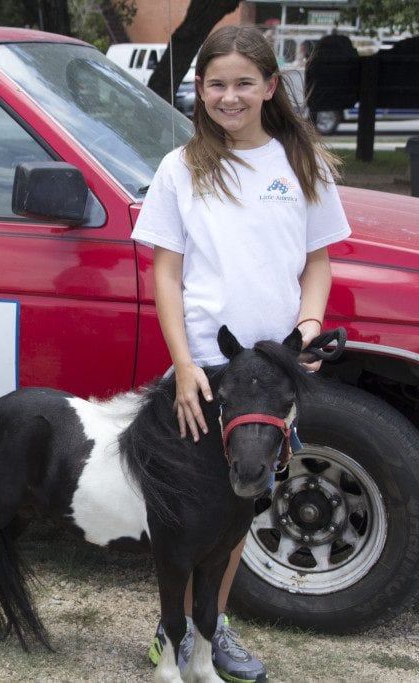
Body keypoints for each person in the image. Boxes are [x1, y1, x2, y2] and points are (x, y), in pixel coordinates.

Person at [132, 25, 350, 682]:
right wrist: (184, 365)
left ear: (270, 88)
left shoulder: (300, 161)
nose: (228, 96)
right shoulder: (181, 167)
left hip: (273, 378)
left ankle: (210, 627)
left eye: (242, 84)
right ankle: (173, 630)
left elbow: (318, 261)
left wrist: (309, 323)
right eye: (215, 84)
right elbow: (165, 272)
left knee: (239, 506)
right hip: (204, 369)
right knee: (187, 509)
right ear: (199, 89)